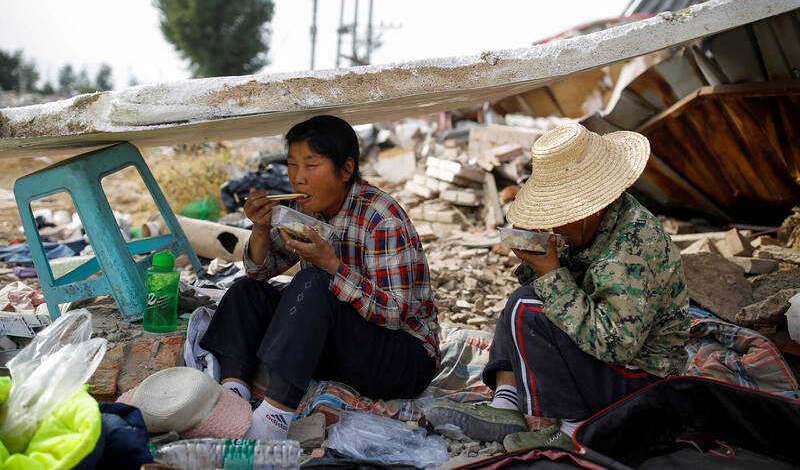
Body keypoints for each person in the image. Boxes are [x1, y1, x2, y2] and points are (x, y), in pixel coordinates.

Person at [427, 123, 689, 451]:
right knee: (522, 300)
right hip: (615, 365)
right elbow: (557, 288)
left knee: (529, 310)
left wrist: (550, 273)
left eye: (560, 214)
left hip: (646, 384)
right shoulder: (596, 225)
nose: (554, 224)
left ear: (590, 208)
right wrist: (536, 258)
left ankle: (575, 426)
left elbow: (616, 345)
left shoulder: (633, 246)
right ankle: (506, 405)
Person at [201, 115, 439, 440]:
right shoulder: (309, 211)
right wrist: (259, 228)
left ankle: (272, 419)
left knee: (313, 284)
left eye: (311, 166)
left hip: (403, 359)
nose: (298, 179)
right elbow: (259, 270)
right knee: (247, 291)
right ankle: (234, 393)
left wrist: (332, 266)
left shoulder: (381, 218)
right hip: (340, 344)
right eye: (292, 165)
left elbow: (395, 314)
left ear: (345, 170)